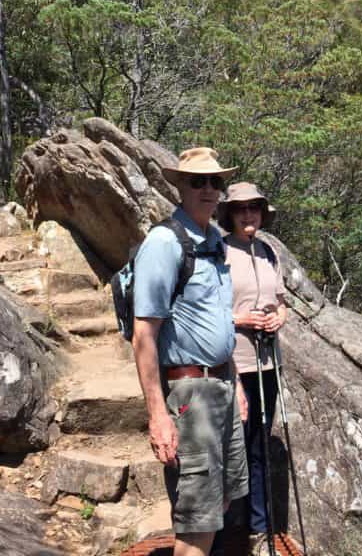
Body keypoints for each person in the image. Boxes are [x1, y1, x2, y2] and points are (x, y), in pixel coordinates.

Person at [131, 147, 249, 556]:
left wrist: (236, 384)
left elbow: (218, 321)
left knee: (221, 502)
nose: (208, 189)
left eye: (215, 181)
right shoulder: (164, 243)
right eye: (197, 181)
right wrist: (157, 416)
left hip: (222, 386)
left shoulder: (214, 241)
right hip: (189, 393)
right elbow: (143, 334)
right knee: (196, 518)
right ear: (179, 186)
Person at [217, 182, 288, 554]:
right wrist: (238, 319)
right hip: (233, 364)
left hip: (266, 364)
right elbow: (207, 312)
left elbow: (281, 302)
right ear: (229, 213)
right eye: (241, 209)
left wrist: (279, 318)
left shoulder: (267, 252)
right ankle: (223, 532)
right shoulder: (219, 251)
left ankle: (258, 531)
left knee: (259, 446)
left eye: (254, 209)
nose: (248, 215)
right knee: (232, 448)